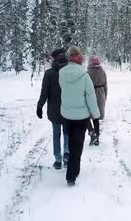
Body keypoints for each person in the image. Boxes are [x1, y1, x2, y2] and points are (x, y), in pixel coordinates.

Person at [59, 46, 101, 186]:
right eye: (81, 55)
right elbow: (91, 97)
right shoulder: (84, 75)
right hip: (81, 117)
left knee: (71, 143)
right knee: (77, 145)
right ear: (76, 57)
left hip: (66, 116)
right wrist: (95, 115)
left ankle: (73, 171)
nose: (82, 58)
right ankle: (72, 174)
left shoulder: (61, 73)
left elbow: (63, 90)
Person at [36, 48, 70, 170]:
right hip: (69, 109)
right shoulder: (71, 71)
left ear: (54, 58)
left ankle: (58, 160)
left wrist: (39, 106)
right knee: (67, 133)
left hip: (54, 110)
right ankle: (67, 154)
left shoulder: (49, 73)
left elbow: (44, 93)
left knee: (56, 134)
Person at [86, 55, 107, 146]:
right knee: (96, 118)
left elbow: (85, 86)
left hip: (91, 94)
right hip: (100, 94)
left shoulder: (88, 72)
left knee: (86, 115)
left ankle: (92, 132)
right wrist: (104, 96)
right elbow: (105, 85)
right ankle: (97, 137)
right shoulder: (103, 72)